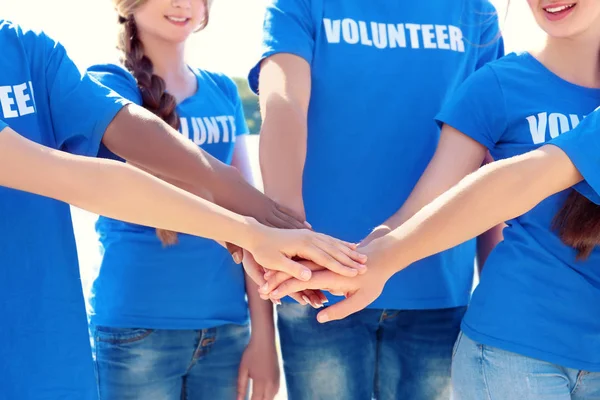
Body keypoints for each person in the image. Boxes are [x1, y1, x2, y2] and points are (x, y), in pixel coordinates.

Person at [0, 18, 365, 400]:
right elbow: (88, 181)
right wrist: (249, 231)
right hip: (131, 324)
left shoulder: (27, 48)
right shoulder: (111, 74)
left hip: (53, 362)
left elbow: (122, 125)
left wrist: (262, 216)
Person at [264, 0, 600, 397]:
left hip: (444, 294)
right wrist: (301, 240)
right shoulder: (498, 84)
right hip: (510, 345)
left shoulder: (475, 16)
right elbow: (474, 190)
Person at [249, 0, 504, 398]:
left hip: (437, 287)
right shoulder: (300, 5)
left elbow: (490, 159)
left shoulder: (476, 13)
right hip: (315, 281)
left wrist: (496, 287)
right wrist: (289, 228)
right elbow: (284, 103)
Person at [85, 0, 326, 398]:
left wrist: (264, 339)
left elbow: (251, 209)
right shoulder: (108, 84)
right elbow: (155, 191)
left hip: (226, 330)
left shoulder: (222, 90)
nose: (184, 3)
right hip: (136, 328)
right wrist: (243, 228)